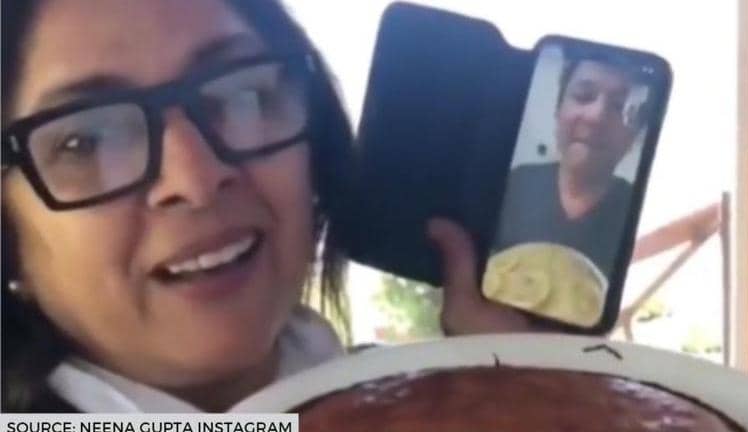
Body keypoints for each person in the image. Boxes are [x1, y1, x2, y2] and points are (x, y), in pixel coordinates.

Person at [1, 0, 537, 413]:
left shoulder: (440, 402)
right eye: (86, 142)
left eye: (243, 95)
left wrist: (539, 389)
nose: (196, 178)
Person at [494, 48, 651, 280]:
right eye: (583, 96)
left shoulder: (641, 217)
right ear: (558, 110)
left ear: (634, 136)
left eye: (620, 106)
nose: (596, 117)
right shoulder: (513, 184)